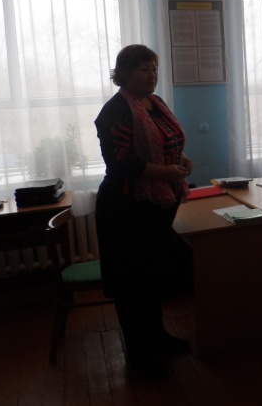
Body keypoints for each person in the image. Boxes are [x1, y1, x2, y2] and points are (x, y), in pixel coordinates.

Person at [95, 44, 194, 379]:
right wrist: (166, 173)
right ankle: (139, 356)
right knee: (132, 286)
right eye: (143, 69)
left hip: (156, 206)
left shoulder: (155, 103)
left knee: (152, 279)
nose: (152, 75)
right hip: (126, 209)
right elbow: (121, 164)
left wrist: (181, 161)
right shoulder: (115, 111)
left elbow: (170, 144)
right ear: (124, 73)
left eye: (154, 69)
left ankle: (158, 337)